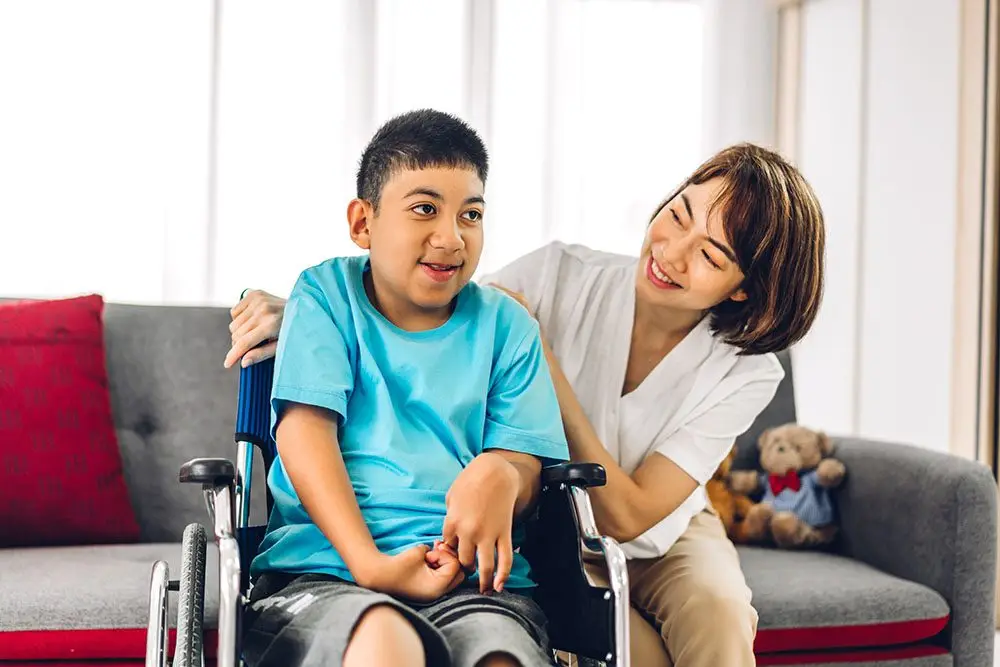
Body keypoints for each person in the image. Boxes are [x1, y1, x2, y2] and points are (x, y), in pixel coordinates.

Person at [228, 142, 826, 667]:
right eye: (677, 215)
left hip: (658, 530)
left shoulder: (747, 371)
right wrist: (303, 314)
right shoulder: (560, 272)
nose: (672, 252)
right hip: (553, 525)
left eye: (712, 255)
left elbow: (629, 514)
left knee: (720, 615)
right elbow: (429, 293)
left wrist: (546, 366)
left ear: (743, 286)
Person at [238, 109, 570, 667]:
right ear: (363, 223)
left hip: (474, 582)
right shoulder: (324, 296)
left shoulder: (507, 326)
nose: (451, 237)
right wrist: (369, 563)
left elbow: (530, 473)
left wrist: (504, 473)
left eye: (472, 214)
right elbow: (303, 432)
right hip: (326, 570)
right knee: (383, 643)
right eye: (424, 209)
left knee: (500, 659)